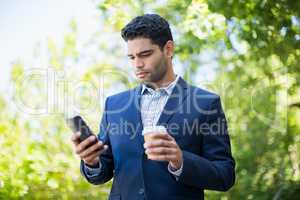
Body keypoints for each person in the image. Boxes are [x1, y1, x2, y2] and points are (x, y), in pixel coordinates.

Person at [71, 13, 235, 200]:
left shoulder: (206, 103)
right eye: (131, 57)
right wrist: (91, 161)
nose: (137, 65)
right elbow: (103, 171)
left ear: (168, 49)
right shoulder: (114, 105)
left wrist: (180, 160)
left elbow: (225, 175)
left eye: (145, 55)